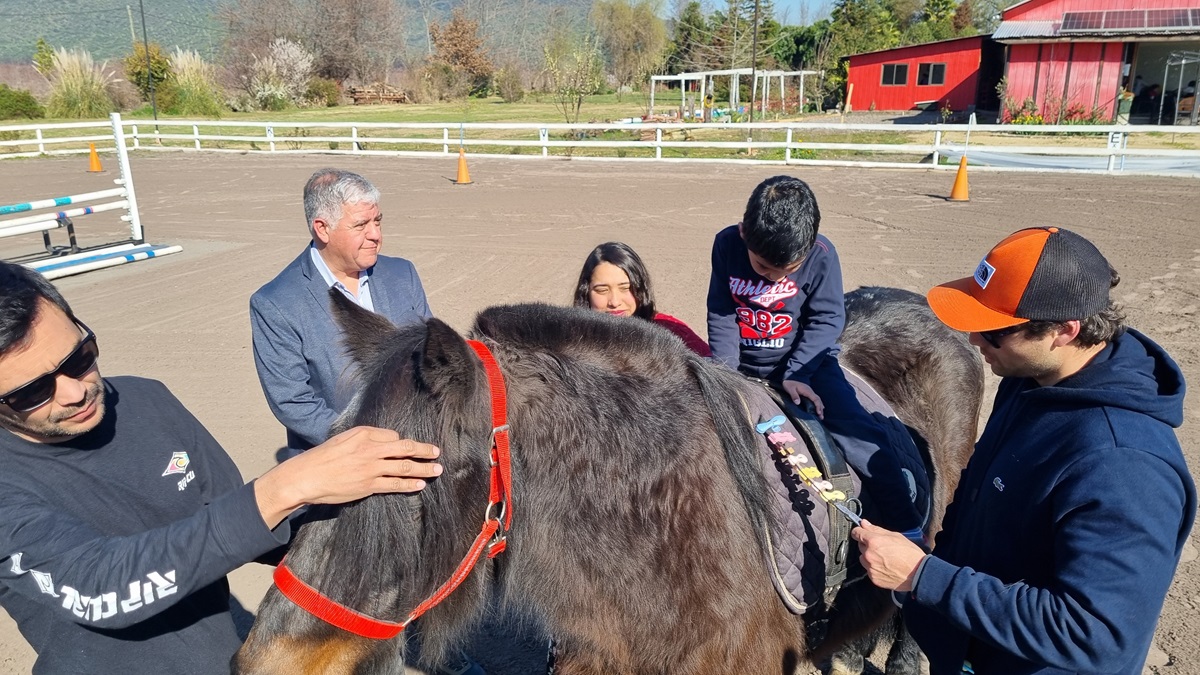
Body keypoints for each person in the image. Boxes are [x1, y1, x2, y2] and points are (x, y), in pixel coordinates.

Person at [0, 261, 443, 674]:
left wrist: (375, 517)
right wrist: (286, 486)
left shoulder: (144, 400)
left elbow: (234, 518)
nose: (75, 392)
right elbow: (104, 587)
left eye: (79, 358)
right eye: (30, 392)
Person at [853, 227, 1196, 675]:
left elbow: (1096, 635)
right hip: (972, 648)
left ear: (1063, 331)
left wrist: (924, 577)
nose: (975, 342)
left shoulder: (1123, 464)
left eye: (993, 331)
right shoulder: (1029, 381)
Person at [706, 175, 924, 540]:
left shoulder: (822, 255)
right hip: (741, 364)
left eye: (785, 272)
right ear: (744, 232)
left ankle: (908, 525)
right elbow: (722, 311)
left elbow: (827, 318)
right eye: (762, 268)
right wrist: (725, 375)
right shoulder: (726, 244)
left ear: (807, 249)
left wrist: (799, 372)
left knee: (859, 436)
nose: (773, 279)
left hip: (808, 364)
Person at [251, 168, 432, 455]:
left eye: (378, 221)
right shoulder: (276, 303)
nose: (376, 235)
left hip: (418, 445)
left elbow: (431, 356)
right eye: (361, 225)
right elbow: (293, 402)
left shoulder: (402, 273)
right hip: (337, 461)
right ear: (322, 228)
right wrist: (366, 445)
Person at [573, 241, 712, 357]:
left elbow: (715, 370)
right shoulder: (569, 342)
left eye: (626, 288)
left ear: (641, 288)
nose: (614, 302)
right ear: (586, 292)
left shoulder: (671, 333)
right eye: (602, 290)